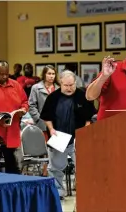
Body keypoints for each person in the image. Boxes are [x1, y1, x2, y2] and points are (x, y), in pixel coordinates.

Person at [40, 70, 96, 199]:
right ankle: (58, 191)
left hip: (79, 138)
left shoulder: (83, 96)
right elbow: (46, 117)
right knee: (55, 168)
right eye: (66, 85)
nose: (70, 88)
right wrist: (51, 129)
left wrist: (85, 132)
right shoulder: (53, 97)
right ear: (61, 83)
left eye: (72, 85)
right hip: (59, 136)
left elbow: (89, 117)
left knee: (84, 166)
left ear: (75, 83)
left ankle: (84, 190)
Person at [28, 65, 60, 140]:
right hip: (42, 124)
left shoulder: (59, 88)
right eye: (49, 73)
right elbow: (31, 105)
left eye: (53, 74)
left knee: (56, 149)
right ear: (44, 74)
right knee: (43, 149)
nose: (51, 76)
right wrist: (38, 119)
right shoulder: (36, 88)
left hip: (57, 124)